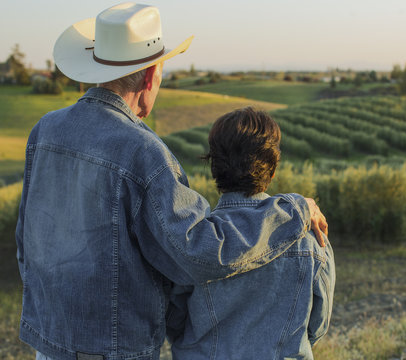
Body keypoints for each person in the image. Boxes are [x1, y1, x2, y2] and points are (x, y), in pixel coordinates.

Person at [15, 4, 327, 360]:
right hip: (111, 352)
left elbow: (26, 238)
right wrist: (294, 209)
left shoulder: (45, 129)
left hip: (47, 342)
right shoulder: (143, 152)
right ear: (149, 77)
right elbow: (202, 253)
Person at [166, 107, 335, 360]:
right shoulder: (312, 238)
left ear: (214, 170)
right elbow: (317, 327)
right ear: (273, 169)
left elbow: (173, 321)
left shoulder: (193, 242)